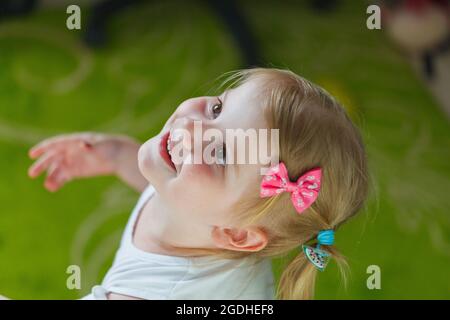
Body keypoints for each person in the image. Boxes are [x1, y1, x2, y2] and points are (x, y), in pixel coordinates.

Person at [26, 68, 369, 299]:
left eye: (220, 153)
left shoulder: (148, 293)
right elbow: (164, 185)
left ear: (237, 235)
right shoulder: (213, 210)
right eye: (218, 109)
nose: (192, 127)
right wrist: (116, 155)